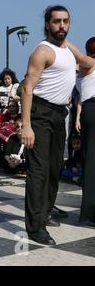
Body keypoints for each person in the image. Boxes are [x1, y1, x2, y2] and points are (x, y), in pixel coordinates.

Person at [21, 5, 78, 246]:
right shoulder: (42, 51)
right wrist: (26, 125)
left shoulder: (68, 49)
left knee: (55, 169)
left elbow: (86, 62)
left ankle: (44, 214)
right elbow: (26, 88)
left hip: (59, 114)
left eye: (65, 21)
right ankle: (35, 228)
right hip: (40, 114)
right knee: (39, 171)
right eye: (56, 21)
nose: (62, 25)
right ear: (47, 24)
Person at [72, 37, 95, 225]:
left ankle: (88, 211)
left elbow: (79, 99)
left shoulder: (81, 71)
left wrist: (78, 117)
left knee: (90, 160)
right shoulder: (89, 64)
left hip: (88, 110)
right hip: (91, 109)